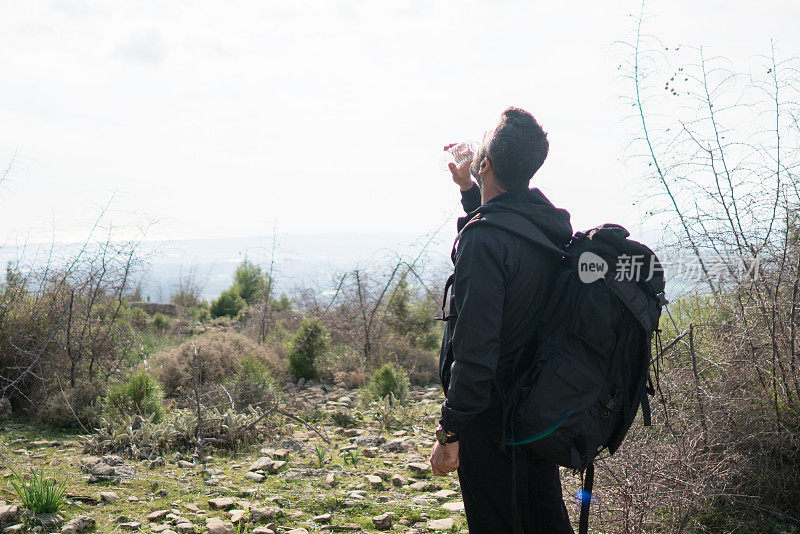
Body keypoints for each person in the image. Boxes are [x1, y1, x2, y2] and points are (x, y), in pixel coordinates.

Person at [429, 107, 575, 533]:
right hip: (539, 409)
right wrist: (472, 190)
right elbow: (509, 237)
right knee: (541, 518)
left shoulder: (484, 240)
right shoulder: (548, 226)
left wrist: (450, 433)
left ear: (486, 163)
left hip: (494, 422)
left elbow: (475, 352)